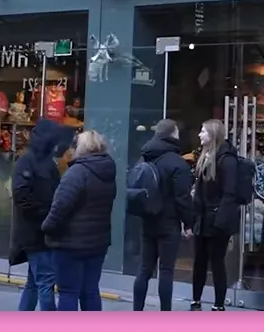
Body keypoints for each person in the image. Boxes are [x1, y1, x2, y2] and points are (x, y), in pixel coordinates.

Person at [42, 129, 117, 311]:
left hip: (70, 244)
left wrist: (46, 227)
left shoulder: (77, 173)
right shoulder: (107, 173)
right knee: (90, 290)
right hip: (97, 242)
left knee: (68, 292)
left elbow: (60, 207)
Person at [10, 119, 74, 311]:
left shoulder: (43, 163)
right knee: (45, 282)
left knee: (35, 282)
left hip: (40, 232)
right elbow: (22, 197)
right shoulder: (28, 162)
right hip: (36, 233)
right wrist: (48, 215)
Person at [132, 119, 195, 312]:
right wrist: (188, 223)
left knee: (144, 269)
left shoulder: (144, 157)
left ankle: (137, 311)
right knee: (166, 270)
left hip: (148, 219)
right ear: (173, 135)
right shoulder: (177, 162)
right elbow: (182, 197)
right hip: (169, 222)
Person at [189, 118, 241, 312]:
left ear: (213, 135)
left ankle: (219, 304)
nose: (199, 134)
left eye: (203, 131)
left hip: (217, 220)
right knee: (199, 261)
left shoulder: (226, 159)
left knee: (217, 262)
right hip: (202, 218)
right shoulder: (205, 155)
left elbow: (230, 192)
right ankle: (196, 300)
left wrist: (220, 221)